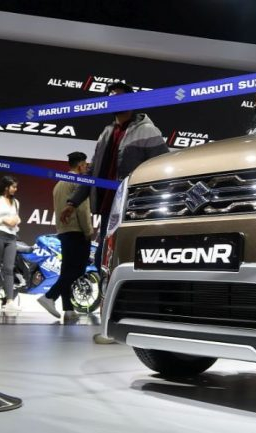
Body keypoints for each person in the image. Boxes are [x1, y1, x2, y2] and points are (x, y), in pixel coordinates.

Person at [59, 81, 169, 342]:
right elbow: (92, 172)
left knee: (125, 263)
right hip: (109, 210)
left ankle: (129, 322)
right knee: (104, 263)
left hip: (134, 210)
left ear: (131, 101)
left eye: (119, 98)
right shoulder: (106, 133)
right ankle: (112, 324)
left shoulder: (148, 130)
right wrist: (73, 202)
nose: (113, 103)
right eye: (110, 98)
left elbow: (163, 167)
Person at [37, 152, 94, 322]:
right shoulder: (79, 181)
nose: (87, 167)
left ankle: (68, 310)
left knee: (66, 271)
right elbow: (82, 209)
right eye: (86, 164)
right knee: (78, 270)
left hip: (63, 231)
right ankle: (49, 296)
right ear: (80, 165)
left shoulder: (59, 184)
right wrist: (88, 231)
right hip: (77, 231)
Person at [0, 175, 21, 312]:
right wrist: (3, 220)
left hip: (12, 237)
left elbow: (17, 218)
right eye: (13, 186)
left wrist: (16, 221)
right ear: (6, 187)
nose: (15, 189)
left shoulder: (16, 202)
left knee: (9, 268)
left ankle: (10, 301)